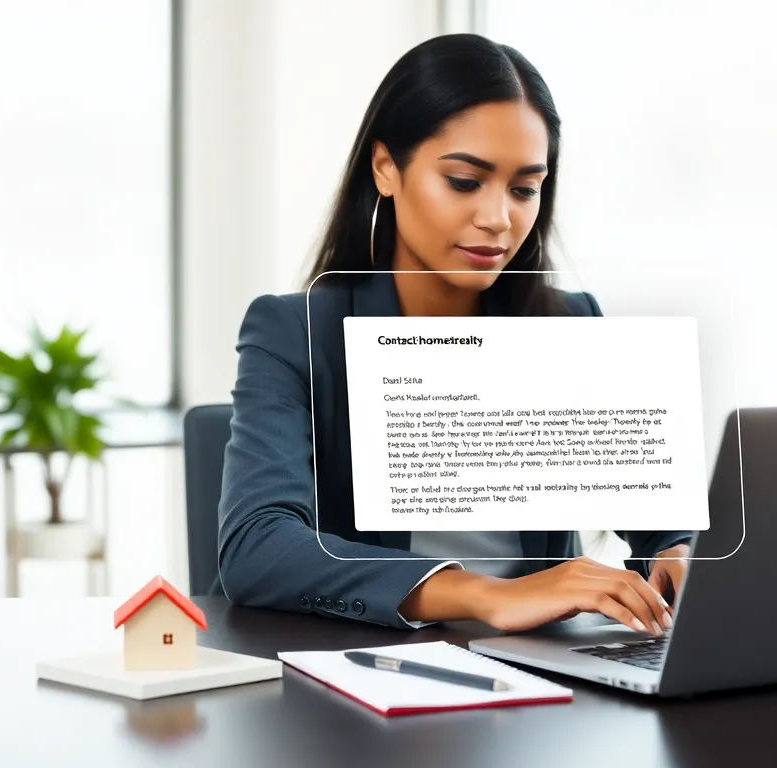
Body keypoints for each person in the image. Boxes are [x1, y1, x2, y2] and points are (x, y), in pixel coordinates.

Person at [217, 33, 695, 636]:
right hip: (369, 674)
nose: (498, 218)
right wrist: (488, 595)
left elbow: (657, 514)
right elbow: (258, 548)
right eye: (466, 182)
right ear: (387, 168)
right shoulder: (296, 332)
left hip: (542, 678)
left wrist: (675, 555)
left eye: (524, 189)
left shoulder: (566, 323)